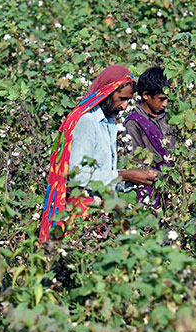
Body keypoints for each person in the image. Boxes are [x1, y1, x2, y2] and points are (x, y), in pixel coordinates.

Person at [39, 65, 158, 242]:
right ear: (106, 93)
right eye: (122, 99)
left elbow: (103, 177)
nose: (125, 106)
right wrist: (124, 175)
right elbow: (76, 176)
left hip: (99, 213)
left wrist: (137, 180)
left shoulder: (108, 123)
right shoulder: (87, 121)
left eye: (128, 100)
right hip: (80, 213)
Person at [122, 66, 175, 207]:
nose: (165, 104)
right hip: (148, 190)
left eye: (167, 99)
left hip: (173, 187)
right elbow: (135, 163)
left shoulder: (171, 118)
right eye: (161, 99)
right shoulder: (133, 123)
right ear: (145, 95)